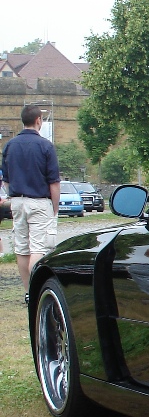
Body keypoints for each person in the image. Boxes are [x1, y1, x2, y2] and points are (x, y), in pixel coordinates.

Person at [0, 105, 61, 301]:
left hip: (17, 201)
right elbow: (54, 182)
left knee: (21, 248)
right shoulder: (45, 146)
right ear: (38, 120)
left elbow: (6, 180)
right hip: (39, 202)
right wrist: (55, 207)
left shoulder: (9, 146)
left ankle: (28, 292)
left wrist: (14, 197)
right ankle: (37, 292)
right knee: (38, 248)